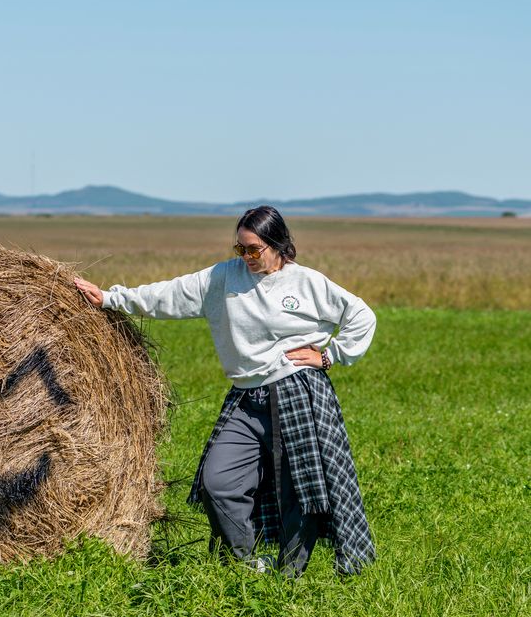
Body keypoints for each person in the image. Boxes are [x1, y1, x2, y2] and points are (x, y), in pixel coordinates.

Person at [74, 206, 377, 577]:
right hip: (246, 398)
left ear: (278, 245)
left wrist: (329, 355)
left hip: (296, 391)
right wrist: (109, 298)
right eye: (241, 249)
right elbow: (169, 294)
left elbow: (361, 316)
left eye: (254, 249)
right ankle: (245, 564)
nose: (247, 257)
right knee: (217, 482)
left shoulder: (307, 283)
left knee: (296, 491)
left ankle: (289, 578)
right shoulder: (223, 278)